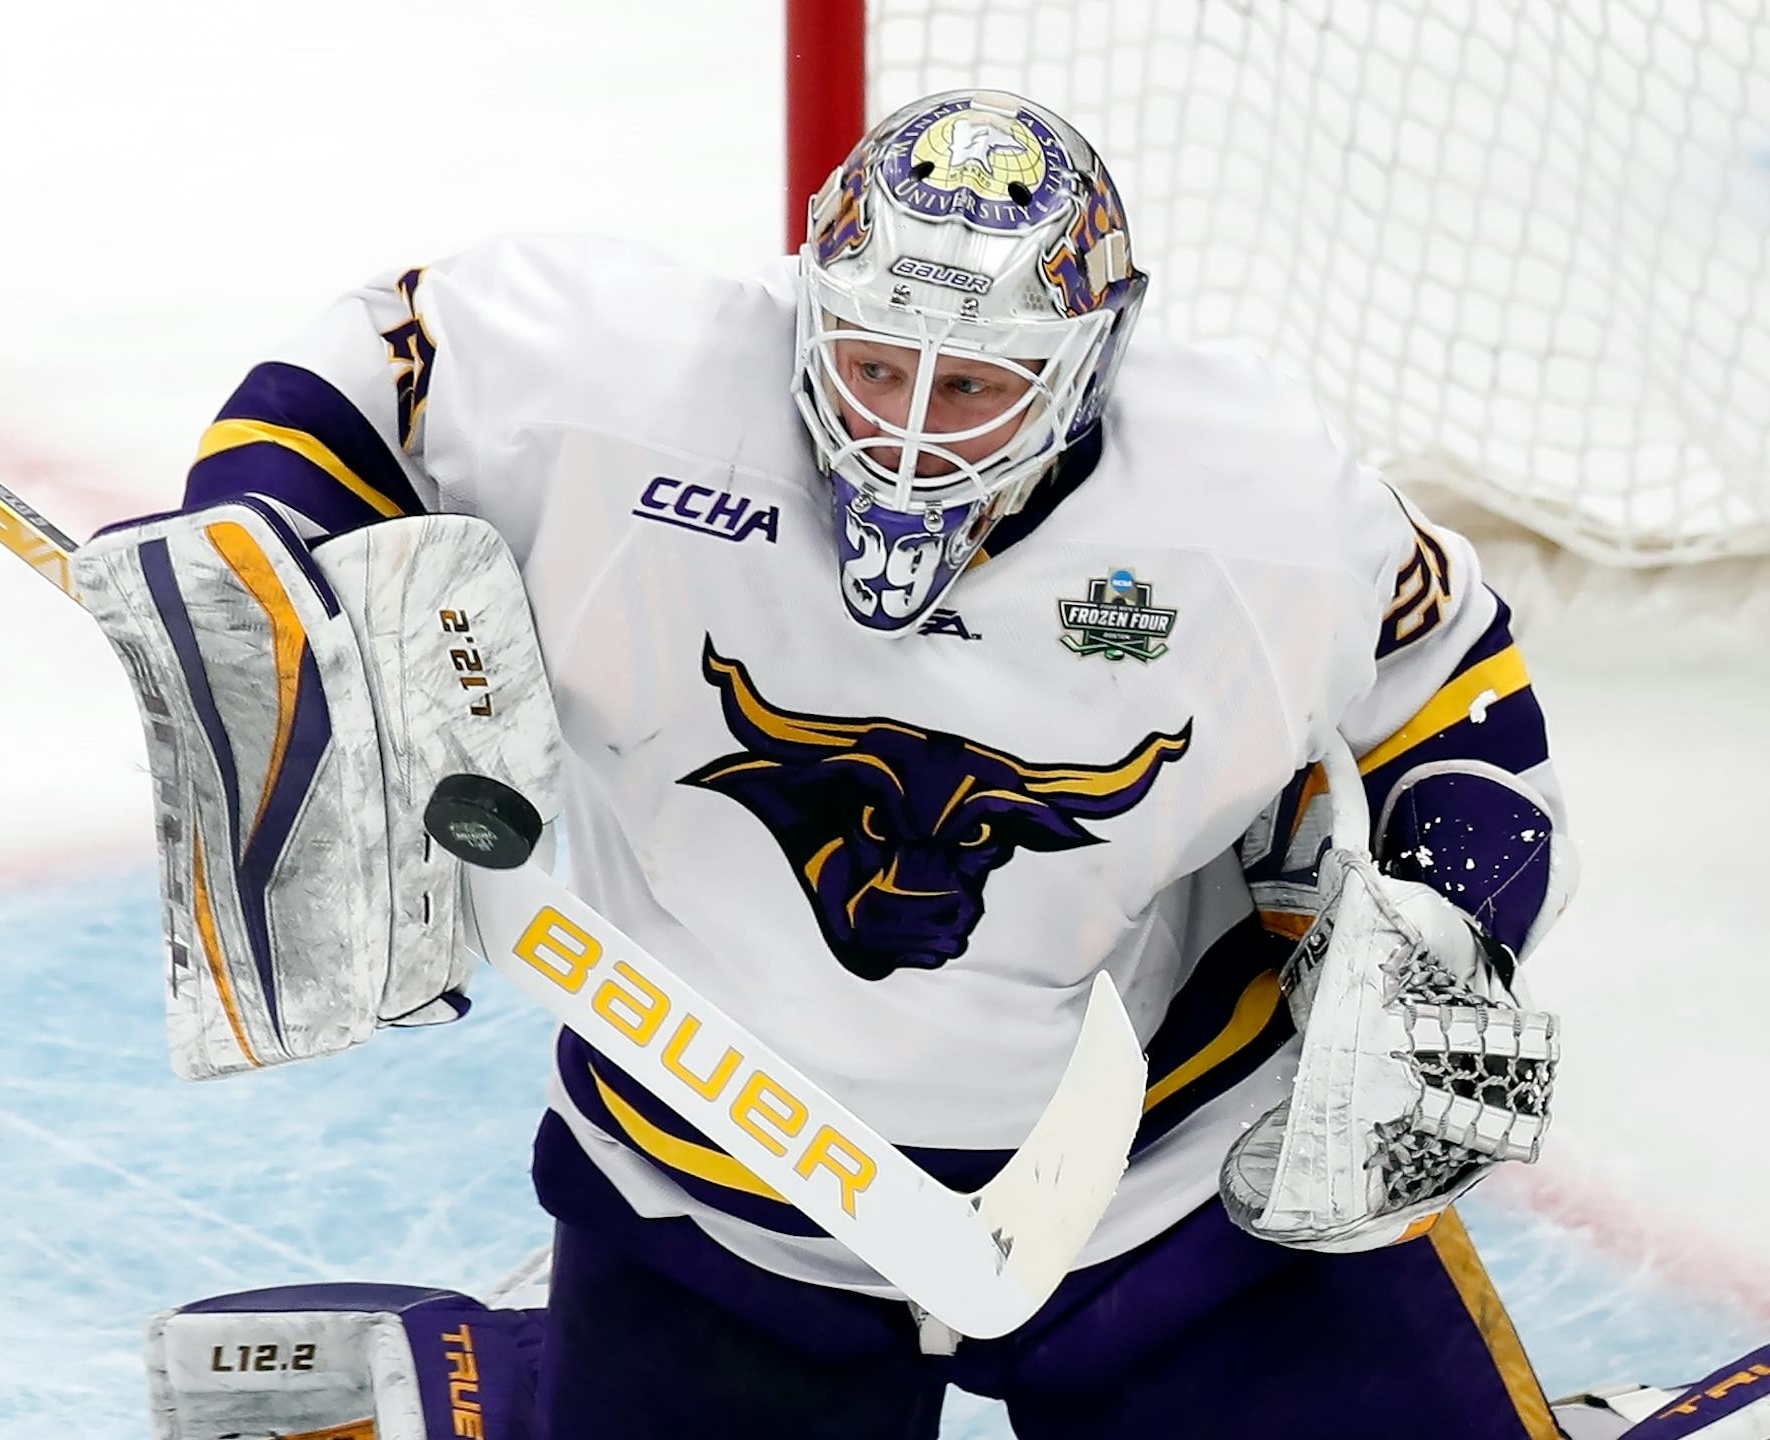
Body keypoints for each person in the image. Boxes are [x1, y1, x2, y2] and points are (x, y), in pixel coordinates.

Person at [114, 89, 1577, 1437]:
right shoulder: (631, 388)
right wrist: (261, 542)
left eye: (969, 391)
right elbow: (386, 356)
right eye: (874, 365)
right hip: (721, 1210)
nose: (902, 435)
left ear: (1091, 365)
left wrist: (1449, 923)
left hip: (1175, 1199)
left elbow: (1453, 679)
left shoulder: (1258, 508)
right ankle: (517, 1374)